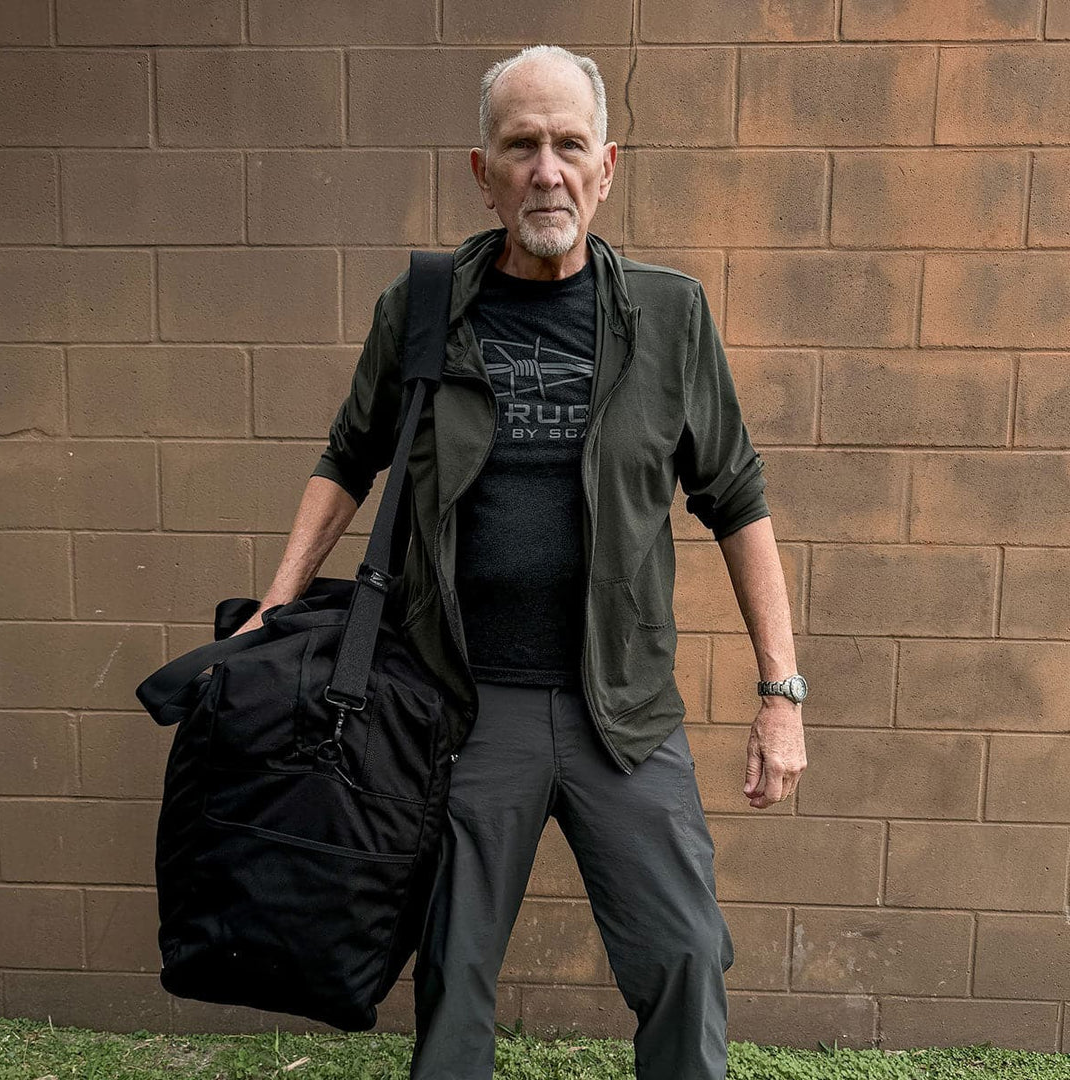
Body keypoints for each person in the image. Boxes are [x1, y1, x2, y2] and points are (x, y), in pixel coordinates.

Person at [233, 43, 807, 1080]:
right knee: (455, 975)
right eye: (523, 146)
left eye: (569, 146)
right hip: (460, 709)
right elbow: (346, 459)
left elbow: (739, 497)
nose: (547, 169)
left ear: (607, 166)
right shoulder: (419, 309)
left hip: (622, 714)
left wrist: (783, 693)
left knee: (683, 954)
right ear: (482, 169)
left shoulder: (671, 316)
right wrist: (276, 601)